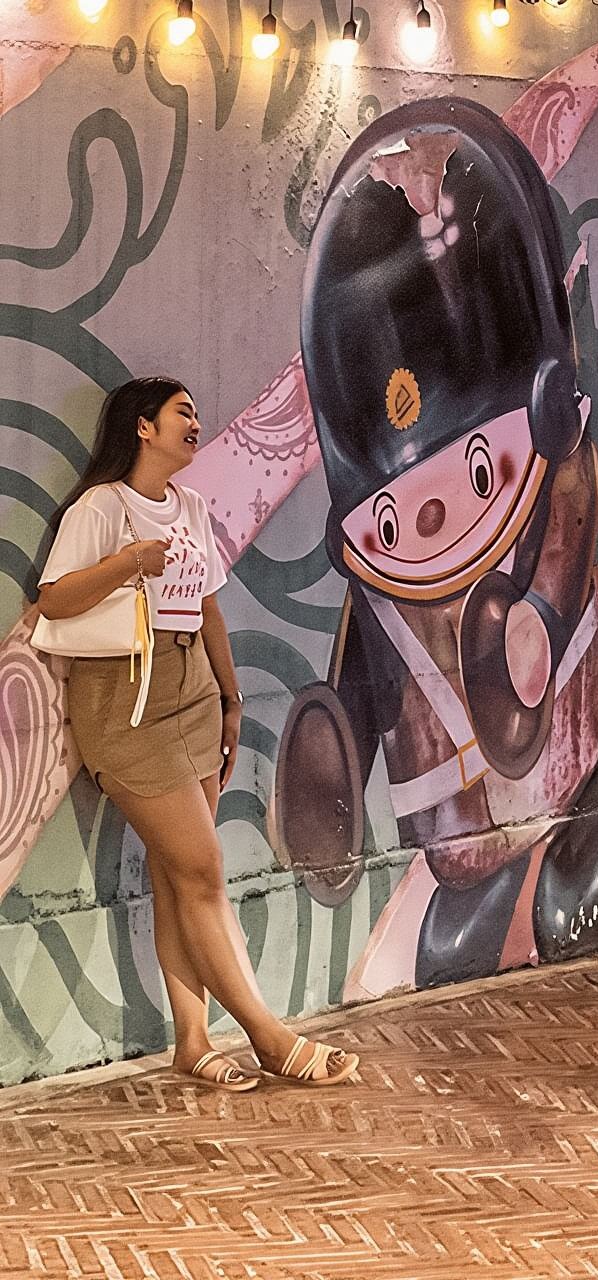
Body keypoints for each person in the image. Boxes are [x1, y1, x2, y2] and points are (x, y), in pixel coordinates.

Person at [37, 377, 360, 1091]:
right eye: (182, 413)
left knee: (177, 875)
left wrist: (230, 696)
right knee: (204, 873)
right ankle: (270, 1037)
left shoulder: (187, 505)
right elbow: (53, 599)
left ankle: (193, 1041)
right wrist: (127, 563)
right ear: (142, 427)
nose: (195, 423)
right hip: (124, 695)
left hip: (193, 691)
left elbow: (206, 605)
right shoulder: (101, 507)